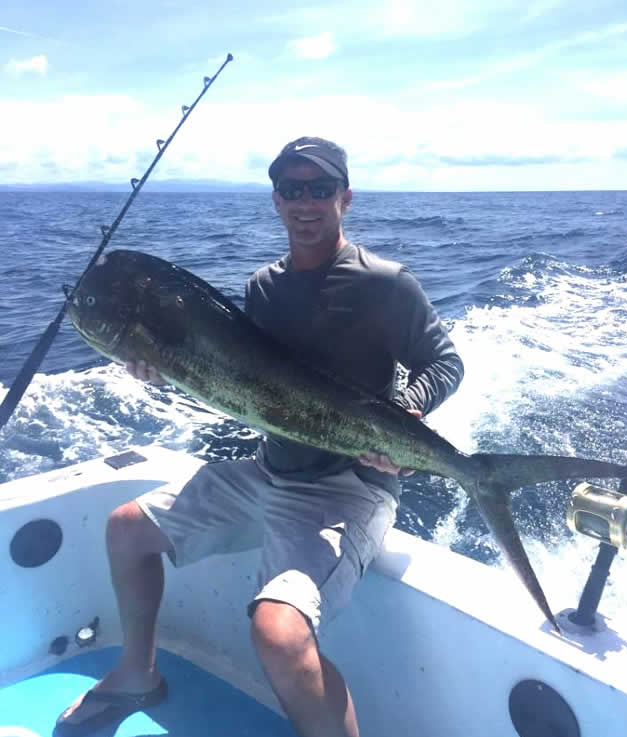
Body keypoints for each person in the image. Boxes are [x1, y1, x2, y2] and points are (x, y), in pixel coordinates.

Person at [55, 137, 464, 737]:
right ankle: (139, 673)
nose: (305, 201)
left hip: (350, 487)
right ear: (275, 201)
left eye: (319, 188)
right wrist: (155, 364)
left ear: (345, 197)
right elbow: (246, 382)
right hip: (269, 471)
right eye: (291, 189)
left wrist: (404, 410)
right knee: (126, 530)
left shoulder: (385, 282)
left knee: (277, 634)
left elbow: (445, 363)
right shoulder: (261, 287)